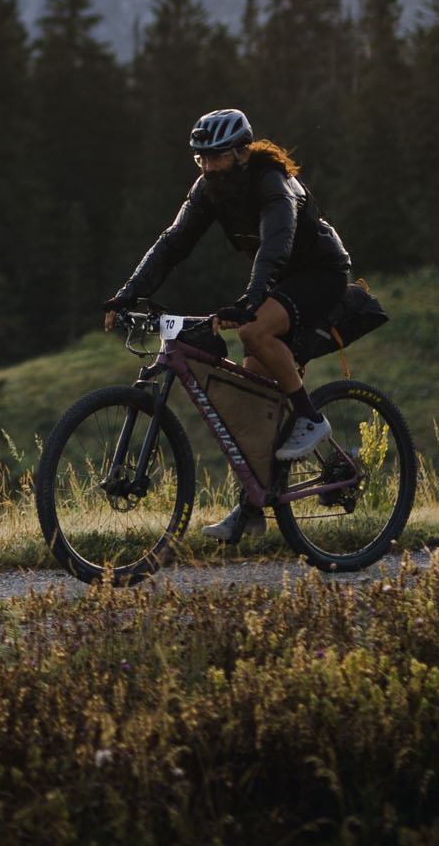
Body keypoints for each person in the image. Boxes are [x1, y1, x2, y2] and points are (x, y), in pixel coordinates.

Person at [102, 107, 353, 543]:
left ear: (241, 152)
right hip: (278, 281)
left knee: (254, 330)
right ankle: (252, 509)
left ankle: (311, 419)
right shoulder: (208, 190)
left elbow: (276, 243)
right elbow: (172, 244)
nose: (208, 167)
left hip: (320, 273)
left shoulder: (272, 182)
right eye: (201, 158)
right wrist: (127, 293)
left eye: (217, 157)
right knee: (255, 404)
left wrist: (251, 300)